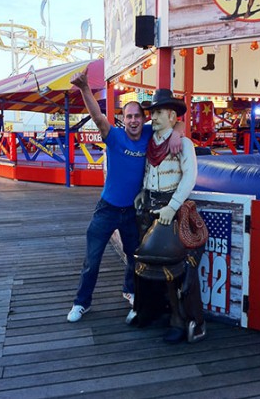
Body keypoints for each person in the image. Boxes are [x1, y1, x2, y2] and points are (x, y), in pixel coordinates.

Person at [67, 69, 183, 322]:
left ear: (144, 119)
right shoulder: (115, 136)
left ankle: (129, 290)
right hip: (107, 209)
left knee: (134, 256)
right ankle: (81, 303)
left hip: (131, 211)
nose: (133, 121)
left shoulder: (149, 135)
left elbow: (176, 120)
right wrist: (85, 88)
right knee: (92, 260)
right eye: (128, 116)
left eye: (137, 117)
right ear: (123, 119)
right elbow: (97, 117)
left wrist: (177, 132)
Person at [127, 88, 206, 344]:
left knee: (174, 267)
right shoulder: (153, 142)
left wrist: (172, 206)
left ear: (173, 117)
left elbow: (189, 177)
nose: (154, 117)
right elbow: (150, 171)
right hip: (150, 208)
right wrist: (142, 191)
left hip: (170, 211)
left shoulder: (182, 143)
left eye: (159, 112)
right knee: (148, 263)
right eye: (153, 112)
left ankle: (181, 320)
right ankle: (150, 309)